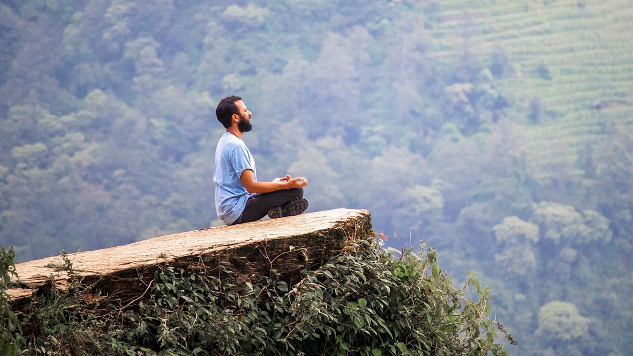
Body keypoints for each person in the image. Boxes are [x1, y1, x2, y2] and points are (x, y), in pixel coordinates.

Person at [213, 95, 309, 225]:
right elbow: (251, 186)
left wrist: (273, 184)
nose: (249, 113)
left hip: (231, 208)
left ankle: (280, 210)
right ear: (235, 117)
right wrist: (286, 185)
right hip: (238, 211)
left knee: (285, 189)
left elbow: (245, 187)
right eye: (245, 111)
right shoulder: (236, 146)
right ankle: (282, 210)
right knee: (295, 191)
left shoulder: (225, 141)